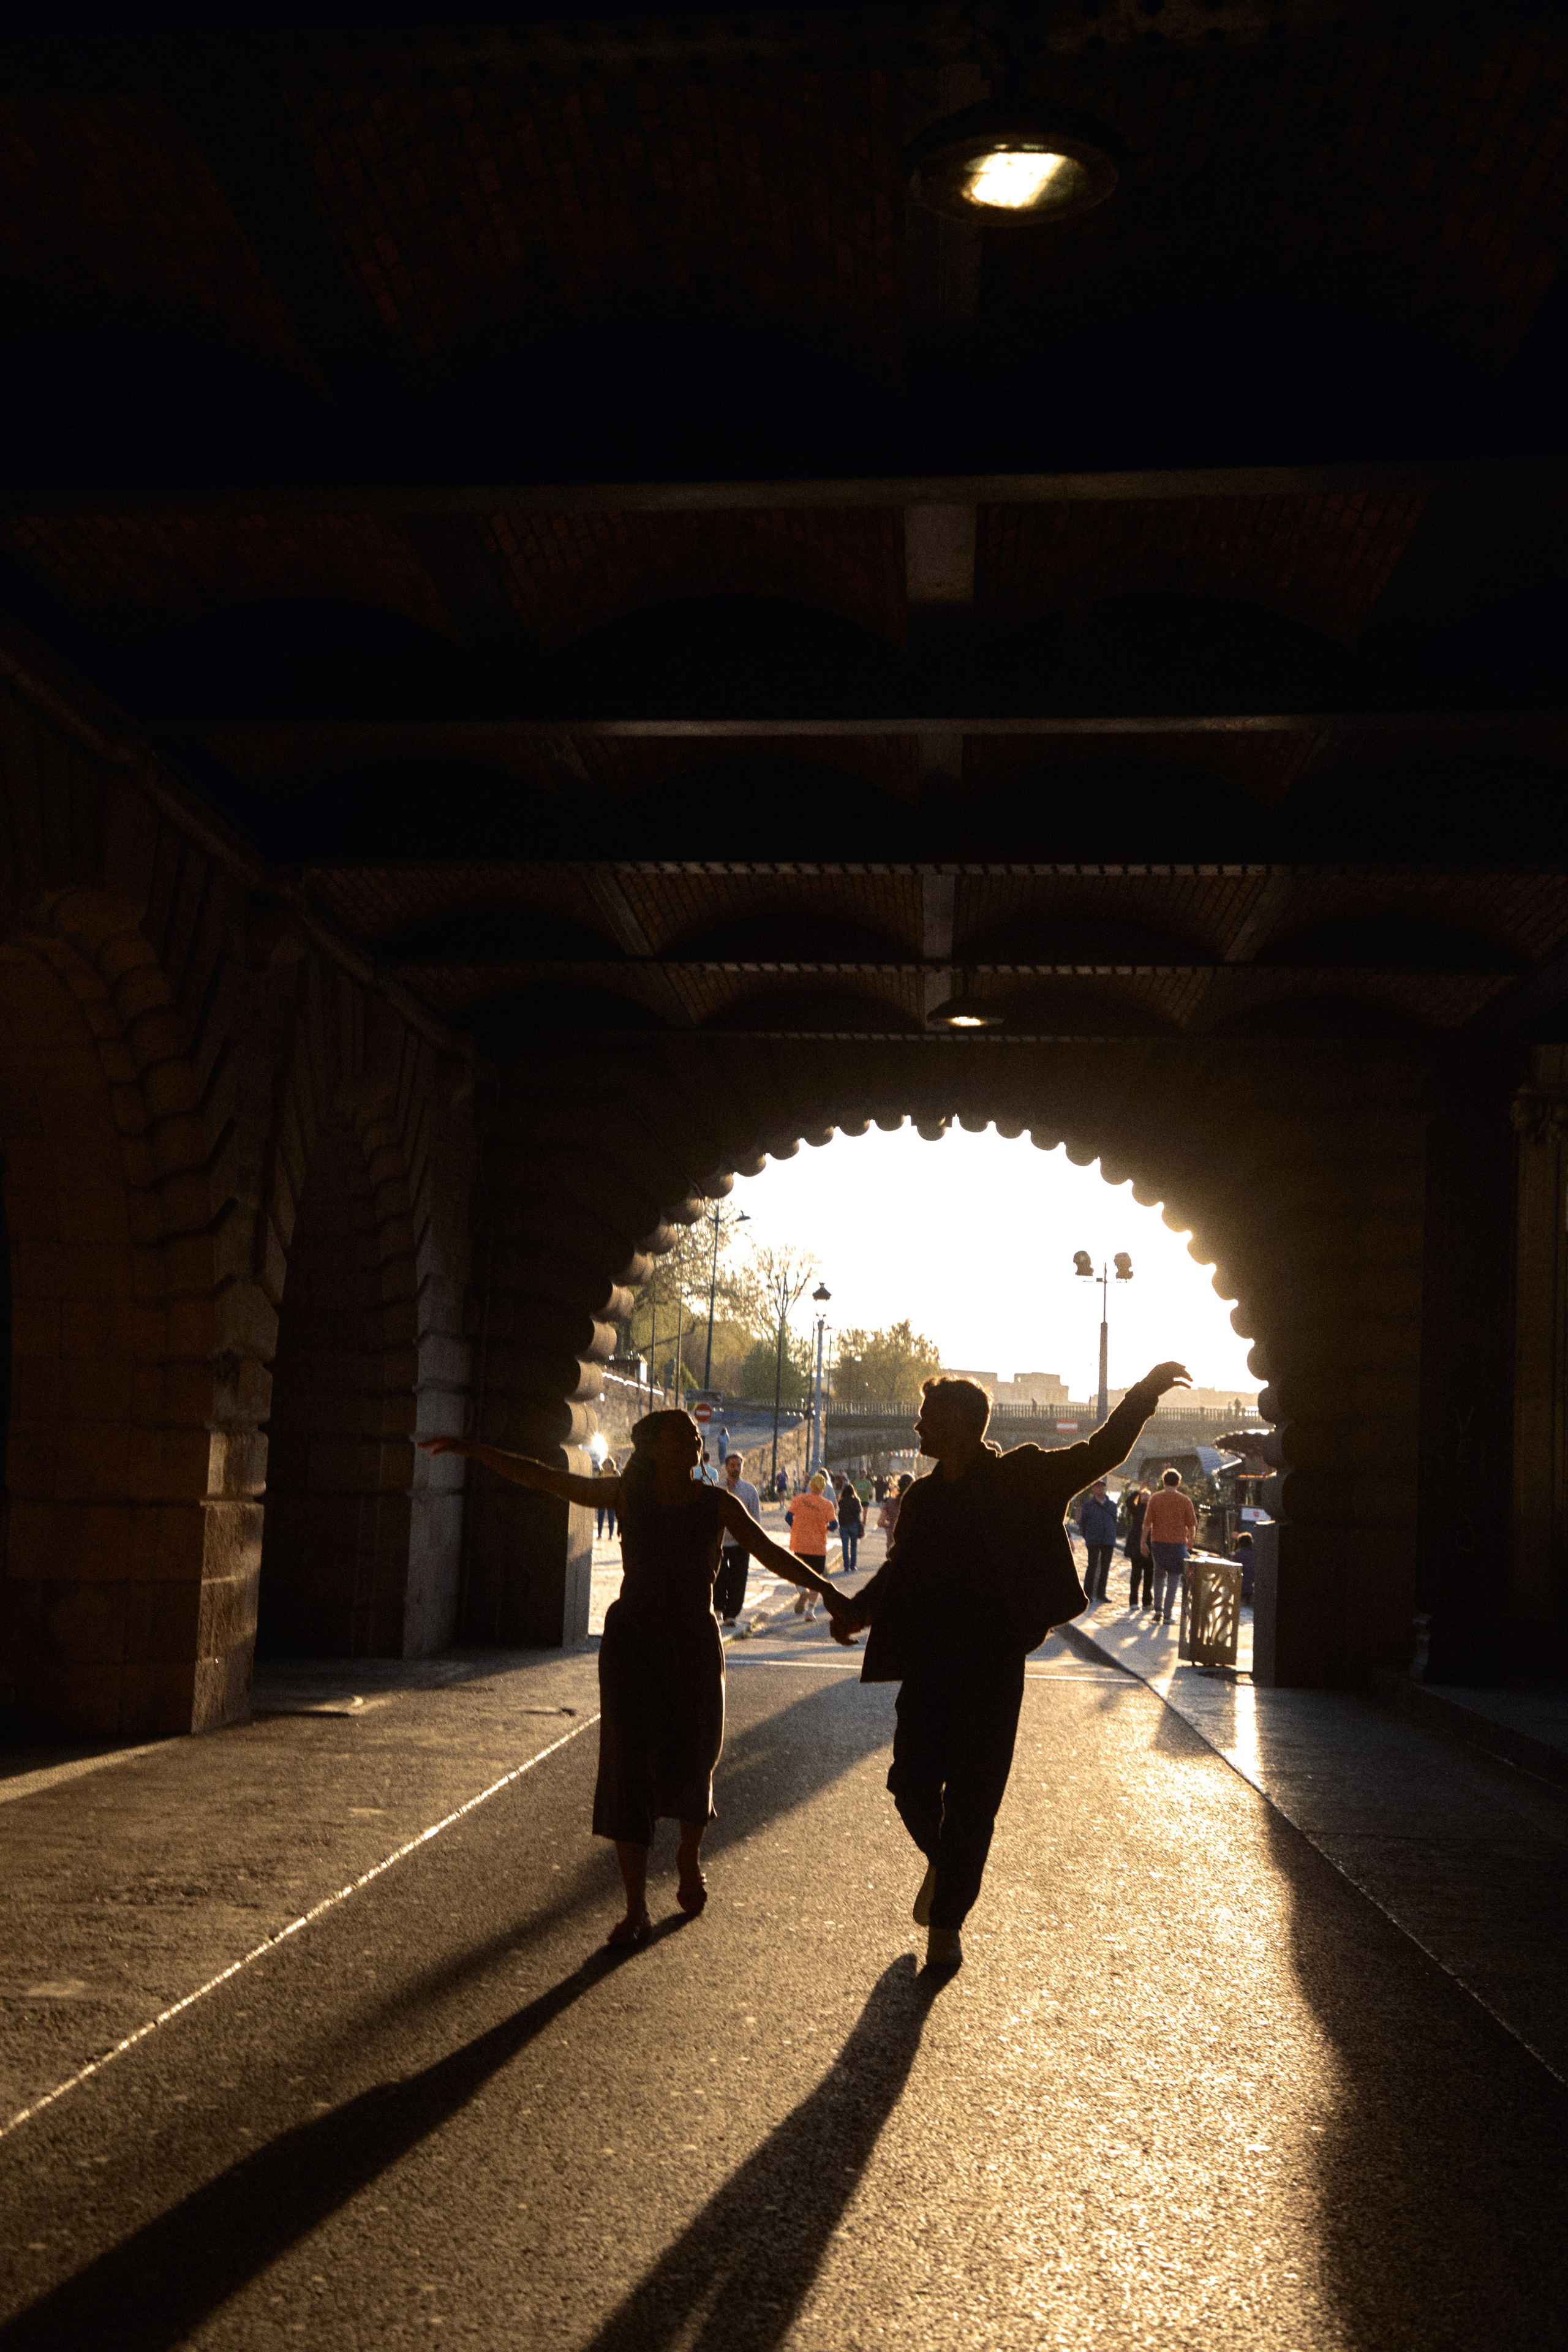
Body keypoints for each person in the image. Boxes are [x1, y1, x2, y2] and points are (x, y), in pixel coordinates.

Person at [418, 1411, 849, 1946]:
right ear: (655, 1448)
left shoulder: (718, 1504)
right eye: (683, 1434)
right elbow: (546, 1478)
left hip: (693, 1640)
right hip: (634, 1641)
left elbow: (770, 1553)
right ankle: (636, 1908)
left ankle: (688, 1856)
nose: (696, 1440)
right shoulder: (627, 1495)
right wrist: (475, 1449)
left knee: (696, 1754)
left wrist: (827, 1590)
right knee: (628, 1765)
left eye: (696, 1435)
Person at [829, 1360, 1191, 1970]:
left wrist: (1146, 1392)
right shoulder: (922, 1497)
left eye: (926, 1416)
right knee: (910, 1789)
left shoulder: (1023, 1477)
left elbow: (1100, 1450)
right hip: (930, 1665)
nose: (917, 1426)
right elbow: (901, 1568)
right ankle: (950, 1868)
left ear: (957, 1421)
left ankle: (946, 1923)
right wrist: (861, 1609)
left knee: (973, 1801)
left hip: (992, 1667)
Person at [1140, 1468, 1197, 1624]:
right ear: (1178, 1483)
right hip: (1177, 1544)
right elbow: (1192, 1525)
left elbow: (1147, 1524)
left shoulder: (1155, 1499)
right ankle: (1167, 1614)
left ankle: (1157, 1610)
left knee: (1159, 1576)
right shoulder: (1185, 1500)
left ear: (1164, 1482)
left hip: (1158, 1543)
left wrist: (1143, 1542)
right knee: (1173, 1578)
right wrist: (1191, 1539)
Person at [714, 1450, 761, 1624]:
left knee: (738, 1579)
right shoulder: (717, 1489)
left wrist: (754, 1540)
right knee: (719, 1576)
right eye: (732, 1465)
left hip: (741, 1542)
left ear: (742, 1467)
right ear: (726, 1468)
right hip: (720, 1542)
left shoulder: (749, 1490)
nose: (736, 1468)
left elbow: (755, 1518)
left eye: (739, 1465)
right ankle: (718, 1608)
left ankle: (731, 1614)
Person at [788, 1469, 838, 1623]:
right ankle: (810, 1611)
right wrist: (825, 1529)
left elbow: (788, 1517)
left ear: (810, 1486)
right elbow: (834, 1525)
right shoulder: (827, 1504)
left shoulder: (799, 1499)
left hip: (800, 1544)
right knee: (816, 1579)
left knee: (797, 1574)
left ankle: (802, 1590)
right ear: (823, 1488)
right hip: (818, 1548)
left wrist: (796, 1527)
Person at [1077, 1478, 1118, 1604]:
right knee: (1092, 1566)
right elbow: (1083, 1523)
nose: (1100, 1489)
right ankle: (1087, 1594)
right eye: (1097, 1487)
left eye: (1102, 1487)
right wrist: (1087, 1536)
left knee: (1105, 1568)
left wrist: (1112, 1534)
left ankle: (1101, 1594)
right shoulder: (1088, 1506)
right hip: (1093, 1540)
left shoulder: (1112, 1505)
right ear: (1093, 1489)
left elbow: (1114, 1521)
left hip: (1108, 1540)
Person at [1123, 1483, 1152, 1610]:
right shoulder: (1136, 1510)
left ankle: (1147, 1602)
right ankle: (1133, 1602)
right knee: (1136, 1575)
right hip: (1136, 1547)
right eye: (1143, 1495)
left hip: (1150, 1546)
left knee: (1149, 1576)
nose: (1145, 1497)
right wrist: (1138, 1492)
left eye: (1147, 1495)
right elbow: (1129, 1502)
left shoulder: (1154, 1511)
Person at [835, 1475, 865, 1574]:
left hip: (844, 1525)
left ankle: (846, 1566)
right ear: (853, 1492)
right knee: (853, 1546)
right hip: (853, 1525)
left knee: (845, 1547)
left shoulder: (841, 1502)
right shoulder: (856, 1501)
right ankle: (853, 1566)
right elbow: (859, 1511)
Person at [878, 1472, 913, 1539]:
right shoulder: (918, 1503)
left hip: (893, 1539)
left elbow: (880, 1523)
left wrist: (892, 1525)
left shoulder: (890, 1503)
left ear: (899, 1485)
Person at [595, 1454, 619, 1540]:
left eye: (607, 1465)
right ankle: (599, 1534)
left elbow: (619, 1486)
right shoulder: (600, 1474)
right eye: (604, 1465)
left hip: (611, 1499)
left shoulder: (615, 1474)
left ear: (611, 1465)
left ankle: (611, 1535)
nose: (605, 1466)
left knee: (611, 1517)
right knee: (600, 1517)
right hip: (602, 1498)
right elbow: (596, 1485)